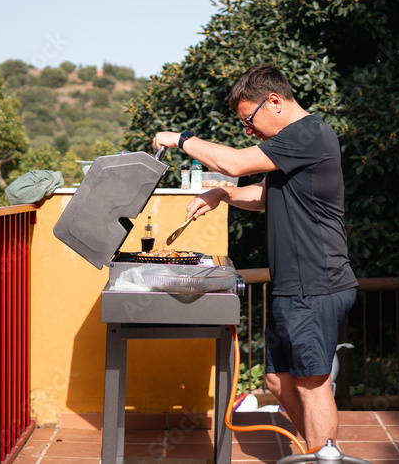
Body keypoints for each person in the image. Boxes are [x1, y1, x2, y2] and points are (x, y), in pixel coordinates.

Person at [152, 63, 358, 450]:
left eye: (249, 120)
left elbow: (234, 163)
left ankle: (322, 456)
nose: (248, 130)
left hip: (316, 283)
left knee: (312, 386)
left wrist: (181, 139)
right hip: (293, 285)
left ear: (274, 101)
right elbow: (264, 194)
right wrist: (222, 194)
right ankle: (319, 452)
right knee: (278, 381)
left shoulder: (308, 133)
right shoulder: (292, 145)